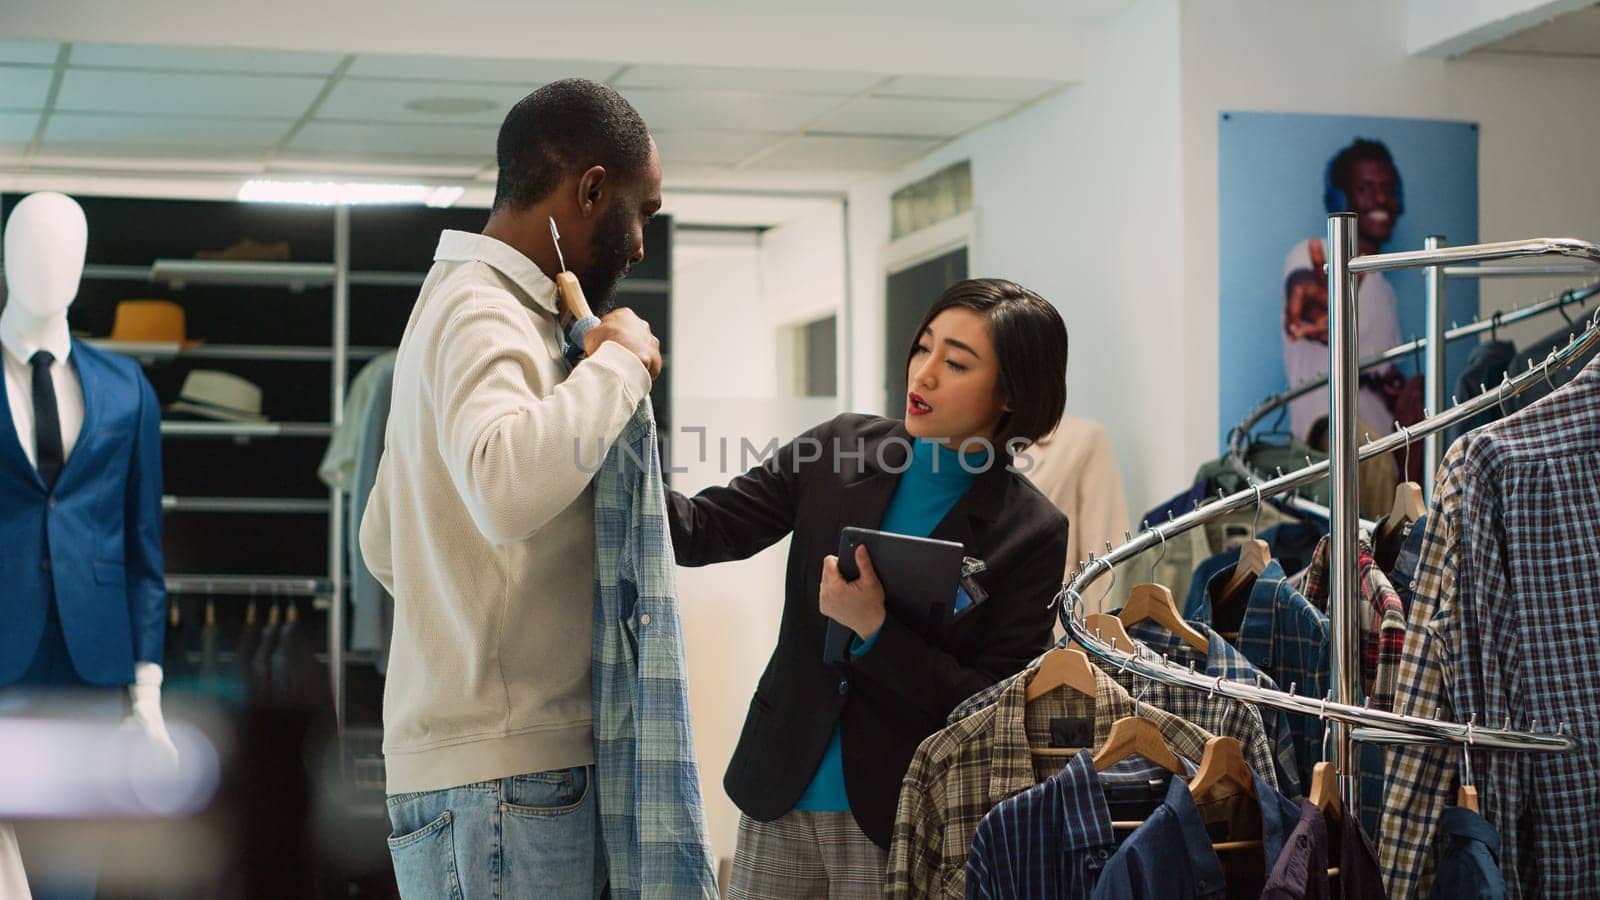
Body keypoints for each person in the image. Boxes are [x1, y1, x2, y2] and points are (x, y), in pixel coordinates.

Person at [668, 278, 1071, 898]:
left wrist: (876, 633)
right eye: (924, 348)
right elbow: (700, 531)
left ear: (1012, 394)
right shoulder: (839, 448)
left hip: (902, 818)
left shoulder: (1032, 530)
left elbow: (991, 709)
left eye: (957, 362)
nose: (925, 374)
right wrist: (611, 422)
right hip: (780, 789)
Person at [359, 78, 663, 898]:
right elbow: (501, 486)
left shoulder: (455, 304)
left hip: (478, 767)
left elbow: (383, 539)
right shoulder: (485, 311)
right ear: (591, 190)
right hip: (508, 773)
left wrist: (473, 612)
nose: (640, 246)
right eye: (645, 213)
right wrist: (621, 363)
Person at [1282, 138, 1406, 438]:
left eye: (1388, 189)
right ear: (1339, 199)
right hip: (1323, 457)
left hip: (1378, 461)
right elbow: (1305, 295)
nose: (1380, 199)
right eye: (1364, 188)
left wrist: (1401, 389)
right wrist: (1320, 311)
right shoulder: (1311, 255)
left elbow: (1374, 372)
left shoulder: (1384, 288)